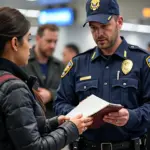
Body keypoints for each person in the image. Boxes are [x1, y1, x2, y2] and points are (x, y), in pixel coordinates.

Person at [54, 0, 150, 149]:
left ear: (119, 22)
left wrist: (131, 116)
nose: (99, 34)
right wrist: (76, 113)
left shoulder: (141, 61)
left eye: (104, 26)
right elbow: (60, 103)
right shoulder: (78, 64)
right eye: (93, 28)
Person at [0, 7, 93, 150]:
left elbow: (19, 130)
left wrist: (55, 123)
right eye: (28, 39)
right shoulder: (14, 87)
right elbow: (35, 147)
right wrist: (72, 128)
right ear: (14, 43)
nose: (30, 46)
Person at [23, 24, 64, 118]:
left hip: (53, 120)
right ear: (38, 38)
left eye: (55, 41)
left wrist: (51, 94)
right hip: (29, 119)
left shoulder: (60, 65)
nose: (52, 45)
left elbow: (67, 91)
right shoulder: (24, 62)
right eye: (49, 41)